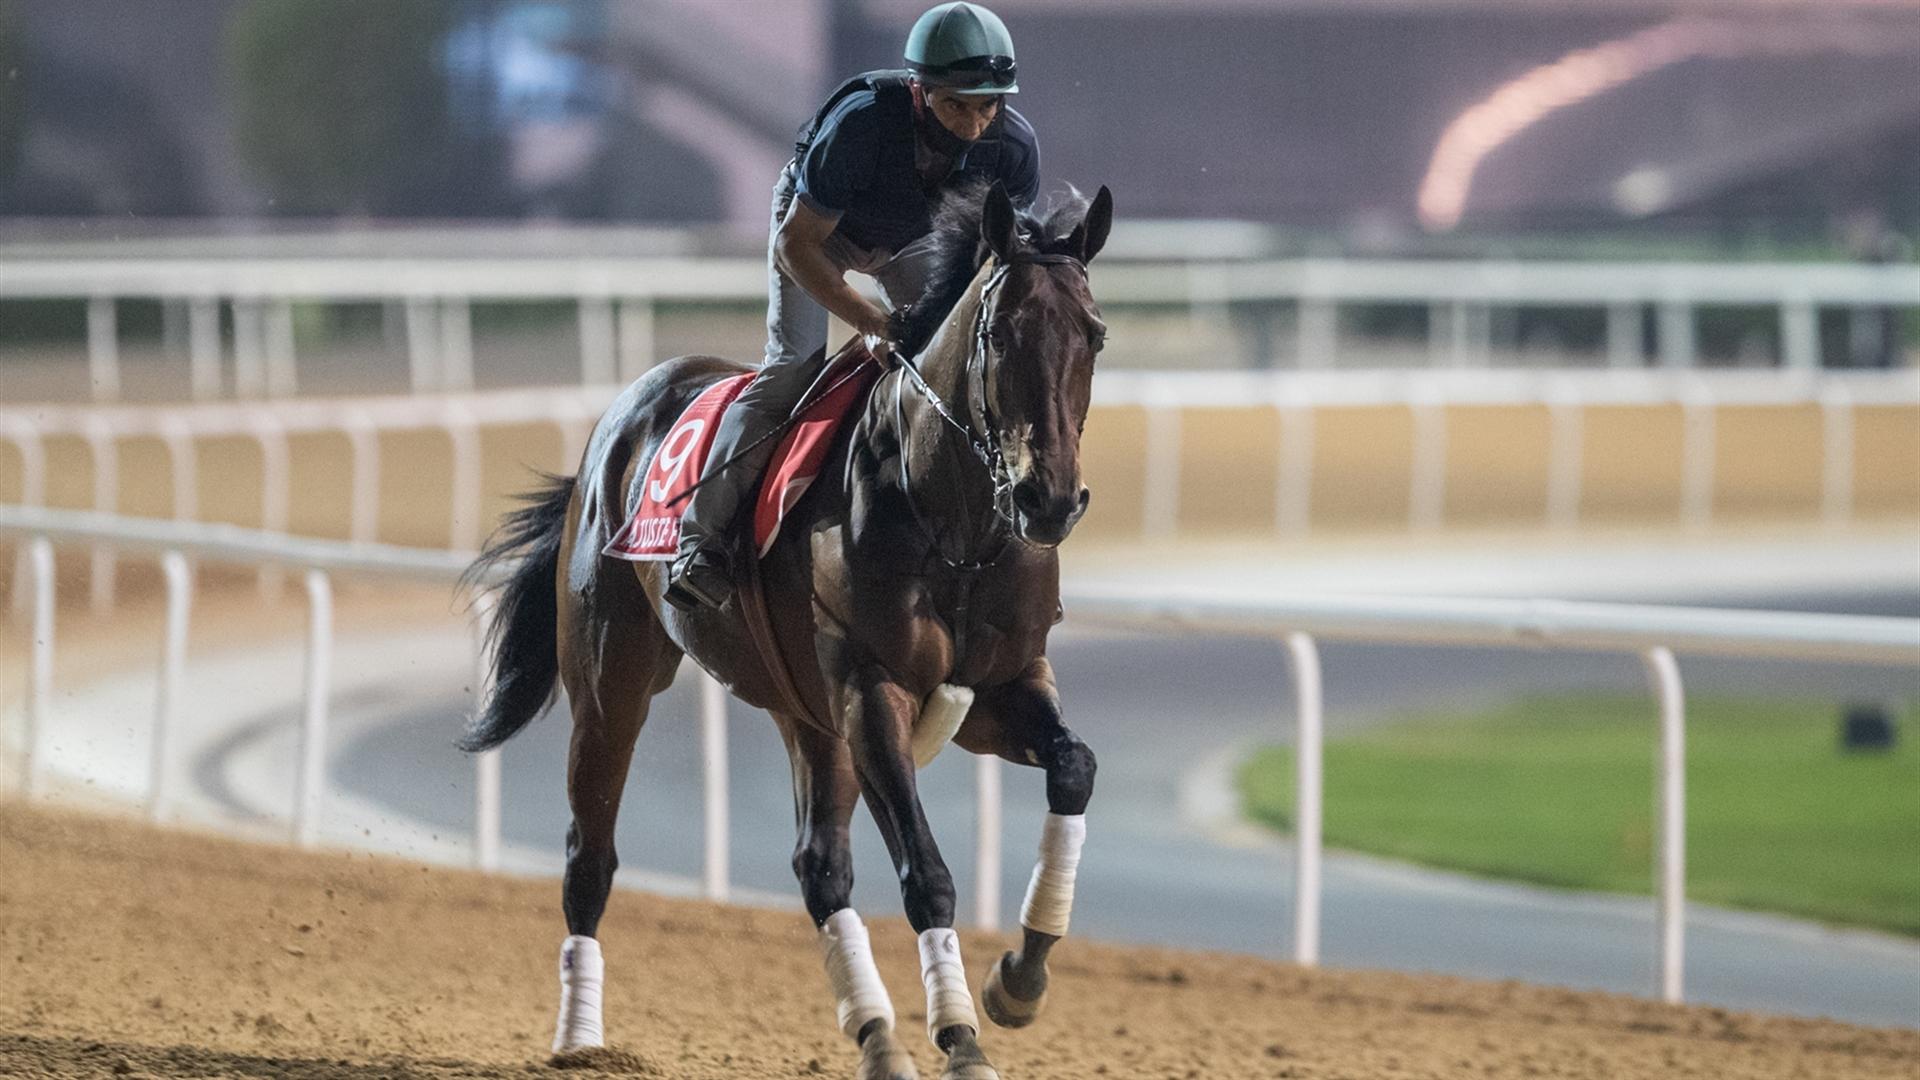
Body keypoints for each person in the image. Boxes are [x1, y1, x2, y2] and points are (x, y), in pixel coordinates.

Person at [665, 1, 1040, 611]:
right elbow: (796, 246)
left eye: (988, 105)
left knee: (952, 362)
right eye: (956, 105)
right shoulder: (862, 123)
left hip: (914, 237)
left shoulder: (1015, 151)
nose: (973, 125)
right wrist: (870, 320)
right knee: (792, 372)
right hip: (816, 231)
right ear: (919, 92)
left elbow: (998, 272)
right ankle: (698, 540)